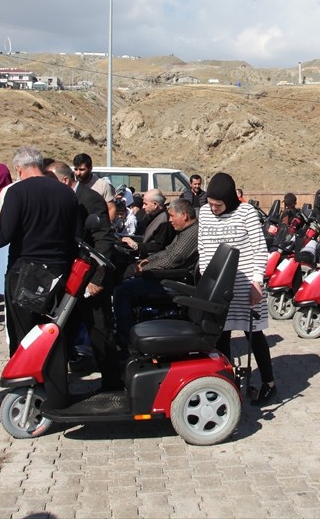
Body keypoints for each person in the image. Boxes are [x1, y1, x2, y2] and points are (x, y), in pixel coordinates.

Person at [0, 147, 124, 405]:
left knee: (25, 336)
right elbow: (74, 237)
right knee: (53, 335)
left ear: (19, 168)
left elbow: (3, 235)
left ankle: (29, 391)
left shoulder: (17, 192)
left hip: (25, 275)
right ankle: (57, 391)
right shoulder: (66, 193)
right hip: (59, 274)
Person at [198, 172, 276, 405]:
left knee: (254, 334)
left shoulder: (246, 212)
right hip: (218, 286)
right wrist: (207, 281)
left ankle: (269, 383)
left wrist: (257, 282)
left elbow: (260, 248)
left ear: (229, 200)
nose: (213, 209)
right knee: (221, 334)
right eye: (211, 204)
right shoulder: (204, 212)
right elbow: (203, 248)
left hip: (246, 285)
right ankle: (228, 383)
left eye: (218, 205)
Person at [112, 198, 200, 347]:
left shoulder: (191, 233)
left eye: (172, 216)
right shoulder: (184, 232)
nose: (170, 220)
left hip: (176, 282)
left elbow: (173, 259)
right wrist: (147, 261)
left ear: (184, 216)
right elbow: (167, 251)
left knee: (122, 291)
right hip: (169, 276)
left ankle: (125, 340)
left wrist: (145, 269)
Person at [119, 190, 175, 258]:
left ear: (155, 204)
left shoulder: (164, 221)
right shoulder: (152, 216)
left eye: (145, 204)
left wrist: (136, 245)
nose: (143, 207)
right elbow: (145, 238)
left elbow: (159, 247)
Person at [72, 153, 117, 222]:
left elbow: (111, 209)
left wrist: (105, 226)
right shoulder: (71, 184)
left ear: (90, 168)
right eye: (76, 169)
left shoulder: (102, 185)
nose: (78, 173)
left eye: (82, 170)